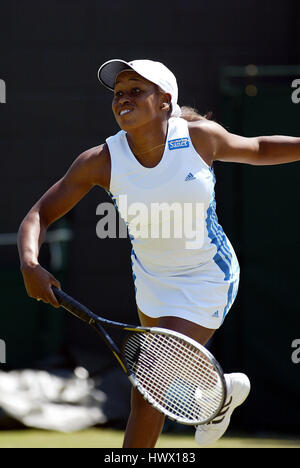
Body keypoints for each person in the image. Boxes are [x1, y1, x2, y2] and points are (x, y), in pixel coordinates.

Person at [17, 58, 300, 448]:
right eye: (118, 93)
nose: (123, 99)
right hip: (151, 282)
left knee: (148, 385)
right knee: (156, 382)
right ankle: (218, 396)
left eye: (136, 90)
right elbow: (39, 215)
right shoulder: (100, 161)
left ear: (165, 101)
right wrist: (29, 264)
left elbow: (257, 148)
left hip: (208, 275)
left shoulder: (200, 138)